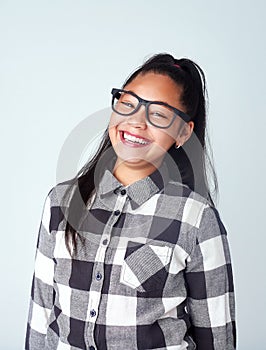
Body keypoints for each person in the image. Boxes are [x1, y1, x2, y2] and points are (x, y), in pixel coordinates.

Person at [25, 53, 236, 350]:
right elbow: (41, 315)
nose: (136, 122)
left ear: (182, 133)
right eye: (128, 103)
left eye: (159, 115)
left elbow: (217, 336)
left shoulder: (197, 218)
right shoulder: (61, 202)